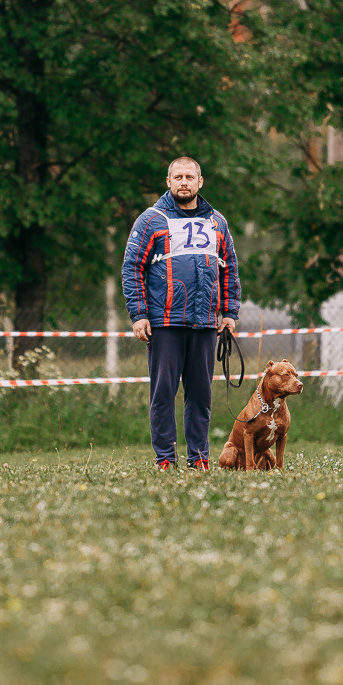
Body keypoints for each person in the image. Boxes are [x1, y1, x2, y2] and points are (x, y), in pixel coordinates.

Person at [122, 156, 241, 470]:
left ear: (200, 182)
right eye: (178, 177)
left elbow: (229, 270)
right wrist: (139, 315)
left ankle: (199, 457)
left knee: (200, 395)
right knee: (163, 393)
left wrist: (229, 312)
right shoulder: (151, 220)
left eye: (190, 176)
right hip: (164, 323)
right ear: (169, 182)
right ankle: (164, 458)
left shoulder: (218, 222)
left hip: (205, 323)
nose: (184, 182)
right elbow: (132, 268)